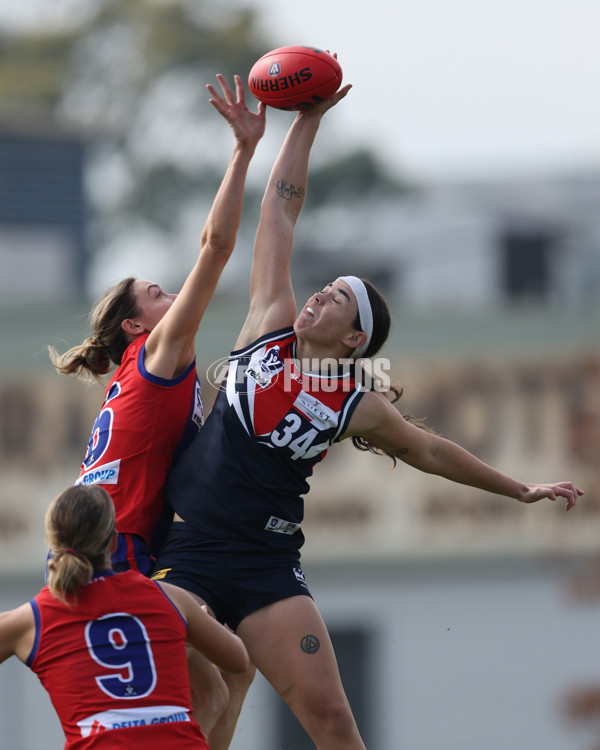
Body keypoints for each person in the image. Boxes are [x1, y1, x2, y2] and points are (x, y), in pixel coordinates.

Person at [151, 82, 584, 749]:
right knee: (201, 702)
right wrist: (306, 121)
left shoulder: (357, 401)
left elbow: (430, 451)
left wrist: (519, 489)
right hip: (189, 552)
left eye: (336, 301)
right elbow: (280, 215)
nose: (318, 296)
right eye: (324, 288)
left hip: (267, 563)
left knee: (333, 722)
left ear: (355, 340)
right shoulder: (267, 327)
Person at [48, 75, 265, 745]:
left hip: (87, 552)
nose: (171, 297)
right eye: (157, 292)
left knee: (215, 681)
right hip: (123, 554)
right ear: (136, 326)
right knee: (222, 679)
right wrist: (242, 151)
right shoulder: (159, 356)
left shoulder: (129, 384)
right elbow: (216, 248)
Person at [0, 484, 250, 750]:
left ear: (53, 545)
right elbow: (238, 660)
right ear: (114, 542)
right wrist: (188, 635)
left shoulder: (32, 619)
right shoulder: (169, 597)